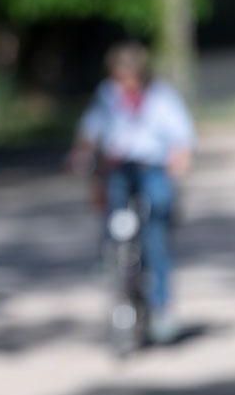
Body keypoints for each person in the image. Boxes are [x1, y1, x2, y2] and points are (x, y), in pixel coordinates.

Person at [69, 42, 196, 344]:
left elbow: (181, 135)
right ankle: (112, 267)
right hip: (119, 168)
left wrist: (180, 158)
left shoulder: (161, 97)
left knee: (156, 229)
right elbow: (90, 130)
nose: (125, 82)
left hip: (151, 166)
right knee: (112, 216)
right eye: (120, 76)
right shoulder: (107, 96)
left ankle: (162, 306)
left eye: (130, 76)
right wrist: (82, 153)